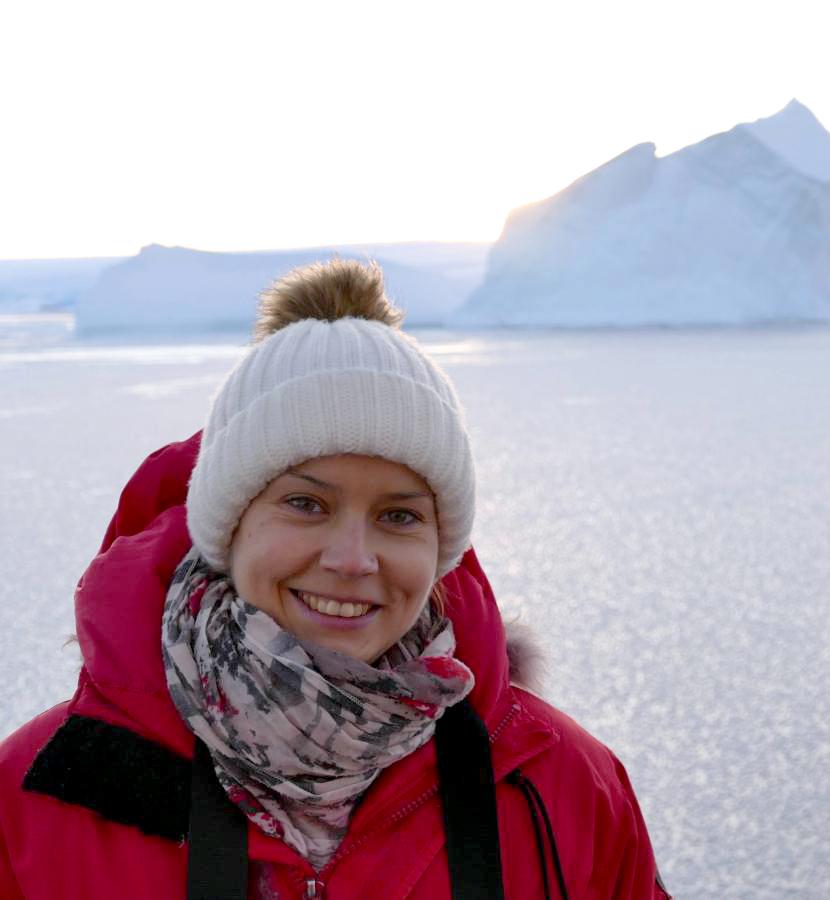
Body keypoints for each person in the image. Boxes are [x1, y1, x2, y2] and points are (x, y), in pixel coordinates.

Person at [0, 260, 670, 899]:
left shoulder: (561, 784)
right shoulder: (40, 797)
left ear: (441, 546)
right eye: (306, 503)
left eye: (399, 515)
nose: (353, 559)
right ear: (229, 526)